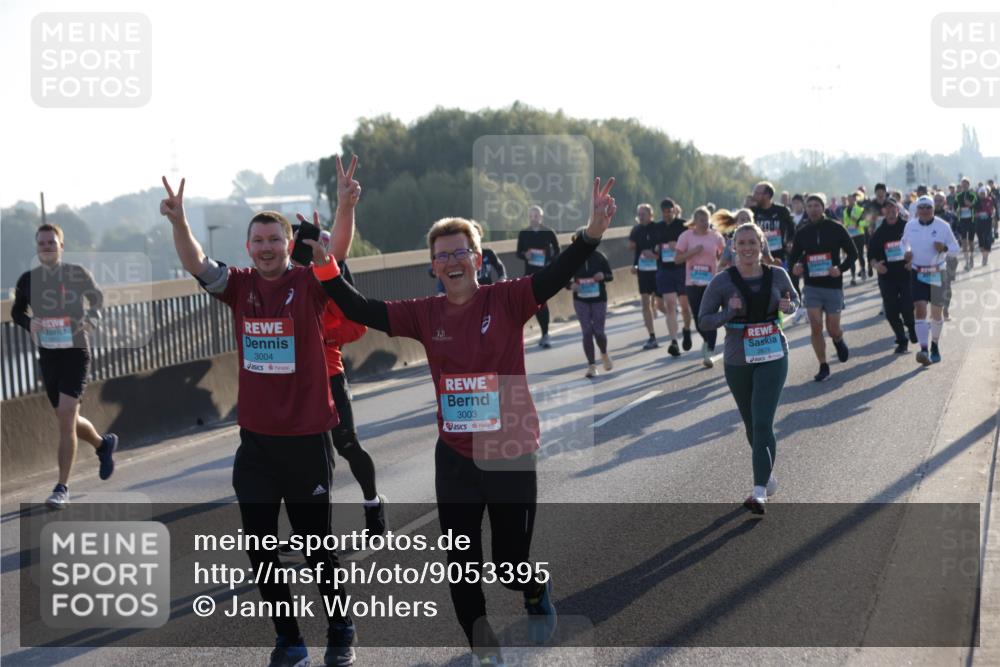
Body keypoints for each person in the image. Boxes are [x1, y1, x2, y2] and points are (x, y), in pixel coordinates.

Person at [321, 176, 618, 665]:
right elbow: (357, 306)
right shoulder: (423, 313)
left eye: (461, 253)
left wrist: (591, 232)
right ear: (433, 267)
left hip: (510, 450)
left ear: (478, 259)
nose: (452, 261)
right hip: (455, 457)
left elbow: (559, 270)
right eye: (443, 255)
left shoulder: (508, 299)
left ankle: (532, 585)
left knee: (508, 562)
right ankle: (483, 647)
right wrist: (325, 263)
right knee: (461, 565)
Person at [160, 167, 359, 667]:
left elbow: (336, 249)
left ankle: (340, 627)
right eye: (259, 240)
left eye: (275, 239)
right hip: (257, 444)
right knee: (260, 547)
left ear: (288, 243)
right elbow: (197, 263)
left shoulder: (308, 283)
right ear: (248, 247)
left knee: (317, 549)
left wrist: (346, 206)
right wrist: (179, 221)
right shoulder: (240, 286)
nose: (267, 247)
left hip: (308, 438)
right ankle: (289, 639)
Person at [11, 224, 119, 510]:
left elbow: (97, 298)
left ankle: (62, 487)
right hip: (49, 355)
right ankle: (102, 444)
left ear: (61, 246)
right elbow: (16, 311)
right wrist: (27, 322)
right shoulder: (28, 280)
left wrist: (92, 318)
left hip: (75, 352)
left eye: (52, 242)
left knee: (67, 415)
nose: (47, 246)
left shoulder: (76, 274)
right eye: (42, 242)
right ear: (37, 248)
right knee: (66, 417)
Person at [698, 222, 799, 515]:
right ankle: (767, 477)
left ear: (762, 244)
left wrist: (788, 305)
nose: (747, 248)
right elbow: (703, 320)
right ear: (733, 247)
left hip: (773, 353)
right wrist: (728, 311)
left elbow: (795, 303)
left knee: (763, 421)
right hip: (737, 357)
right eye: (741, 243)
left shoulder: (777, 275)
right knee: (751, 424)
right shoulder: (722, 281)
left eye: (752, 243)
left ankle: (758, 492)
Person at [312, 174, 388, 535]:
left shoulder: (336, 282)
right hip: (297, 383)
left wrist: (321, 335)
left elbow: (357, 327)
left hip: (330, 375)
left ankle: (373, 503)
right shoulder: (290, 285)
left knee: (346, 445)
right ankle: (312, 530)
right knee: (308, 460)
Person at [788, 194, 858, 382]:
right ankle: (823, 365)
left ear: (823, 207)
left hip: (833, 285)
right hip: (812, 286)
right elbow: (793, 258)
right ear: (805, 208)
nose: (813, 209)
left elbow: (853, 254)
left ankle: (838, 339)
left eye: (816, 205)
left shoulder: (836, 228)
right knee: (816, 326)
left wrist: (840, 268)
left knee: (833, 328)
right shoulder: (802, 232)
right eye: (809, 206)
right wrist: (795, 267)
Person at [902, 195, 960, 365]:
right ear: (917, 210)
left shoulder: (943, 226)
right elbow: (903, 243)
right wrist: (906, 253)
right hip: (917, 272)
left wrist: (945, 248)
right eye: (922, 208)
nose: (925, 211)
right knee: (919, 309)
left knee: (936, 313)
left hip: (937, 272)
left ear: (933, 209)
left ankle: (935, 344)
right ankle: (924, 349)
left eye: (928, 207)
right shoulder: (910, 225)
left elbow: (956, 249)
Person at [674, 207, 726, 367]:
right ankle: (706, 340)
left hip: (711, 283)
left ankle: (710, 350)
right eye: (701, 220)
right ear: (695, 222)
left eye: (707, 220)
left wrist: (721, 262)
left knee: (711, 316)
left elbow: (725, 254)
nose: (705, 223)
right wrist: (693, 252)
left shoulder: (715, 236)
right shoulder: (686, 236)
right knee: (698, 318)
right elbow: (677, 259)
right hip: (693, 282)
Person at [867, 199, 917, 353]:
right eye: (886, 208)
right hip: (887, 277)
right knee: (891, 311)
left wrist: (913, 261)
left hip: (906, 274)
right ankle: (901, 339)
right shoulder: (879, 232)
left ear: (898, 209)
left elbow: (918, 247)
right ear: (883, 212)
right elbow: (871, 255)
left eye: (892, 208)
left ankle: (911, 327)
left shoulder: (907, 227)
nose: (889, 211)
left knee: (908, 308)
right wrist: (876, 265)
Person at [653, 198, 693, 356]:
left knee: (684, 307)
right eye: (663, 212)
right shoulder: (658, 227)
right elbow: (652, 246)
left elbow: (691, 246)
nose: (666, 215)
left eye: (669, 212)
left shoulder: (683, 225)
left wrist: (676, 246)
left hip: (682, 270)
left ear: (674, 210)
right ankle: (674, 342)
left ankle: (687, 329)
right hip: (665, 270)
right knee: (670, 306)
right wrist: (655, 248)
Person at [516, 206, 560, 348]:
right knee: (531, 304)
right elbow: (518, 252)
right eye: (531, 216)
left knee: (542, 302)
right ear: (529, 218)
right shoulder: (524, 233)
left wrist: (549, 261)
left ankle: (545, 334)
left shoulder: (548, 232)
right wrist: (525, 255)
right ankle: (522, 336)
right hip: (529, 273)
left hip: (544, 273)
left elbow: (558, 250)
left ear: (541, 217)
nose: (534, 218)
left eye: (537, 216)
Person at [568, 247, 614, 377]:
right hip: (580, 300)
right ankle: (592, 366)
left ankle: (604, 353)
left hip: (599, 299)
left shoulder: (599, 256)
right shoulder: (572, 259)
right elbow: (562, 278)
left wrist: (603, 276)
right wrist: (570, 285)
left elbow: (610, 276)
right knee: (587, 331)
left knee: (599, 332)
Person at [629, 203, 662, 350]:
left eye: (643, 214)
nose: (640, 217)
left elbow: (665, 249)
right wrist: (635, 265)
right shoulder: (636, 230)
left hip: (659, 270)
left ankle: (676, 320)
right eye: (639, 214)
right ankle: (652, 336)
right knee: (645, 302)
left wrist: (655, 255)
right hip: (643, 270)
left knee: (661, 304)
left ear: (651, 215)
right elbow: (634, 249)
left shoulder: (658, 228)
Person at [751, 181, 796, 270]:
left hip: (778, 256)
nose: (754, 196)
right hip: (758, 257)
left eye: (757, 193)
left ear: (767, 195)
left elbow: (792, 229)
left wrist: (790, 241)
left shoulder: (782, 211)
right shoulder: (752, 212)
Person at [842, 191, 868, 285]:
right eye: (848, 199)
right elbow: (845, 222)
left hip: (859, 234)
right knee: (851, 255)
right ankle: (853, 277)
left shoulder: (860, 209)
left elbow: (866, 222)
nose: (849, 201)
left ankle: (863, 271)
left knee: (860, 254)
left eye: (851, 199)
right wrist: (845, 226)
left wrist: (858, 224)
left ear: (854, 199)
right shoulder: (845, 211)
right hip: (850, 235)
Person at [954, 178, 978, 270]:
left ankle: (971, 258)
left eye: (965, 184)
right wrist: (957, 210)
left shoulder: (973, 195)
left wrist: (971, 204)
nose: (964, 186)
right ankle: (966, 262)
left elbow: (978, 206)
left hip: (971, 220)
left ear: (968, 185)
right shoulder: (958, 195)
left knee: (971, 242)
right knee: (964, 241)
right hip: (962, 221)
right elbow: (955, 207)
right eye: (962, 184)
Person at [974, 186, 995, 266]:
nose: (982, 195)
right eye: (981, 194)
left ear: (986, 194)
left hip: (987, 222)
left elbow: (992, 209)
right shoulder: (976, 201)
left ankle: (985, 257)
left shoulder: (990, 200)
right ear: (979, 194)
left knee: (987, 239)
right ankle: (983, 255)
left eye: (984, 194)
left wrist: (992, 215)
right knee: (981, 240)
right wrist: (977, 214)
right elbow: (974, 212)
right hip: (979, 222)